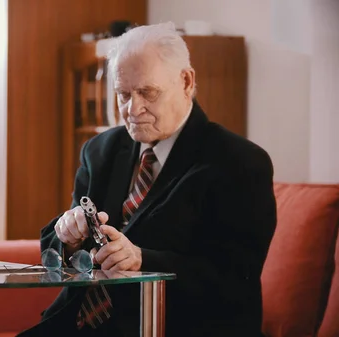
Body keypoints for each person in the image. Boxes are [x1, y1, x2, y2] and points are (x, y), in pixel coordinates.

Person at [17, 22, 277, 337]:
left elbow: (235, 280)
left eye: (147, 92)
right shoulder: (101, 150)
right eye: (123, 95)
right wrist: (68, 236)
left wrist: (142, 260)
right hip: (76, 324)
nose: (132, 109)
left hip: (174, 326)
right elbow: (57, 252)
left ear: (186, 81)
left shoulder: (238, 162)